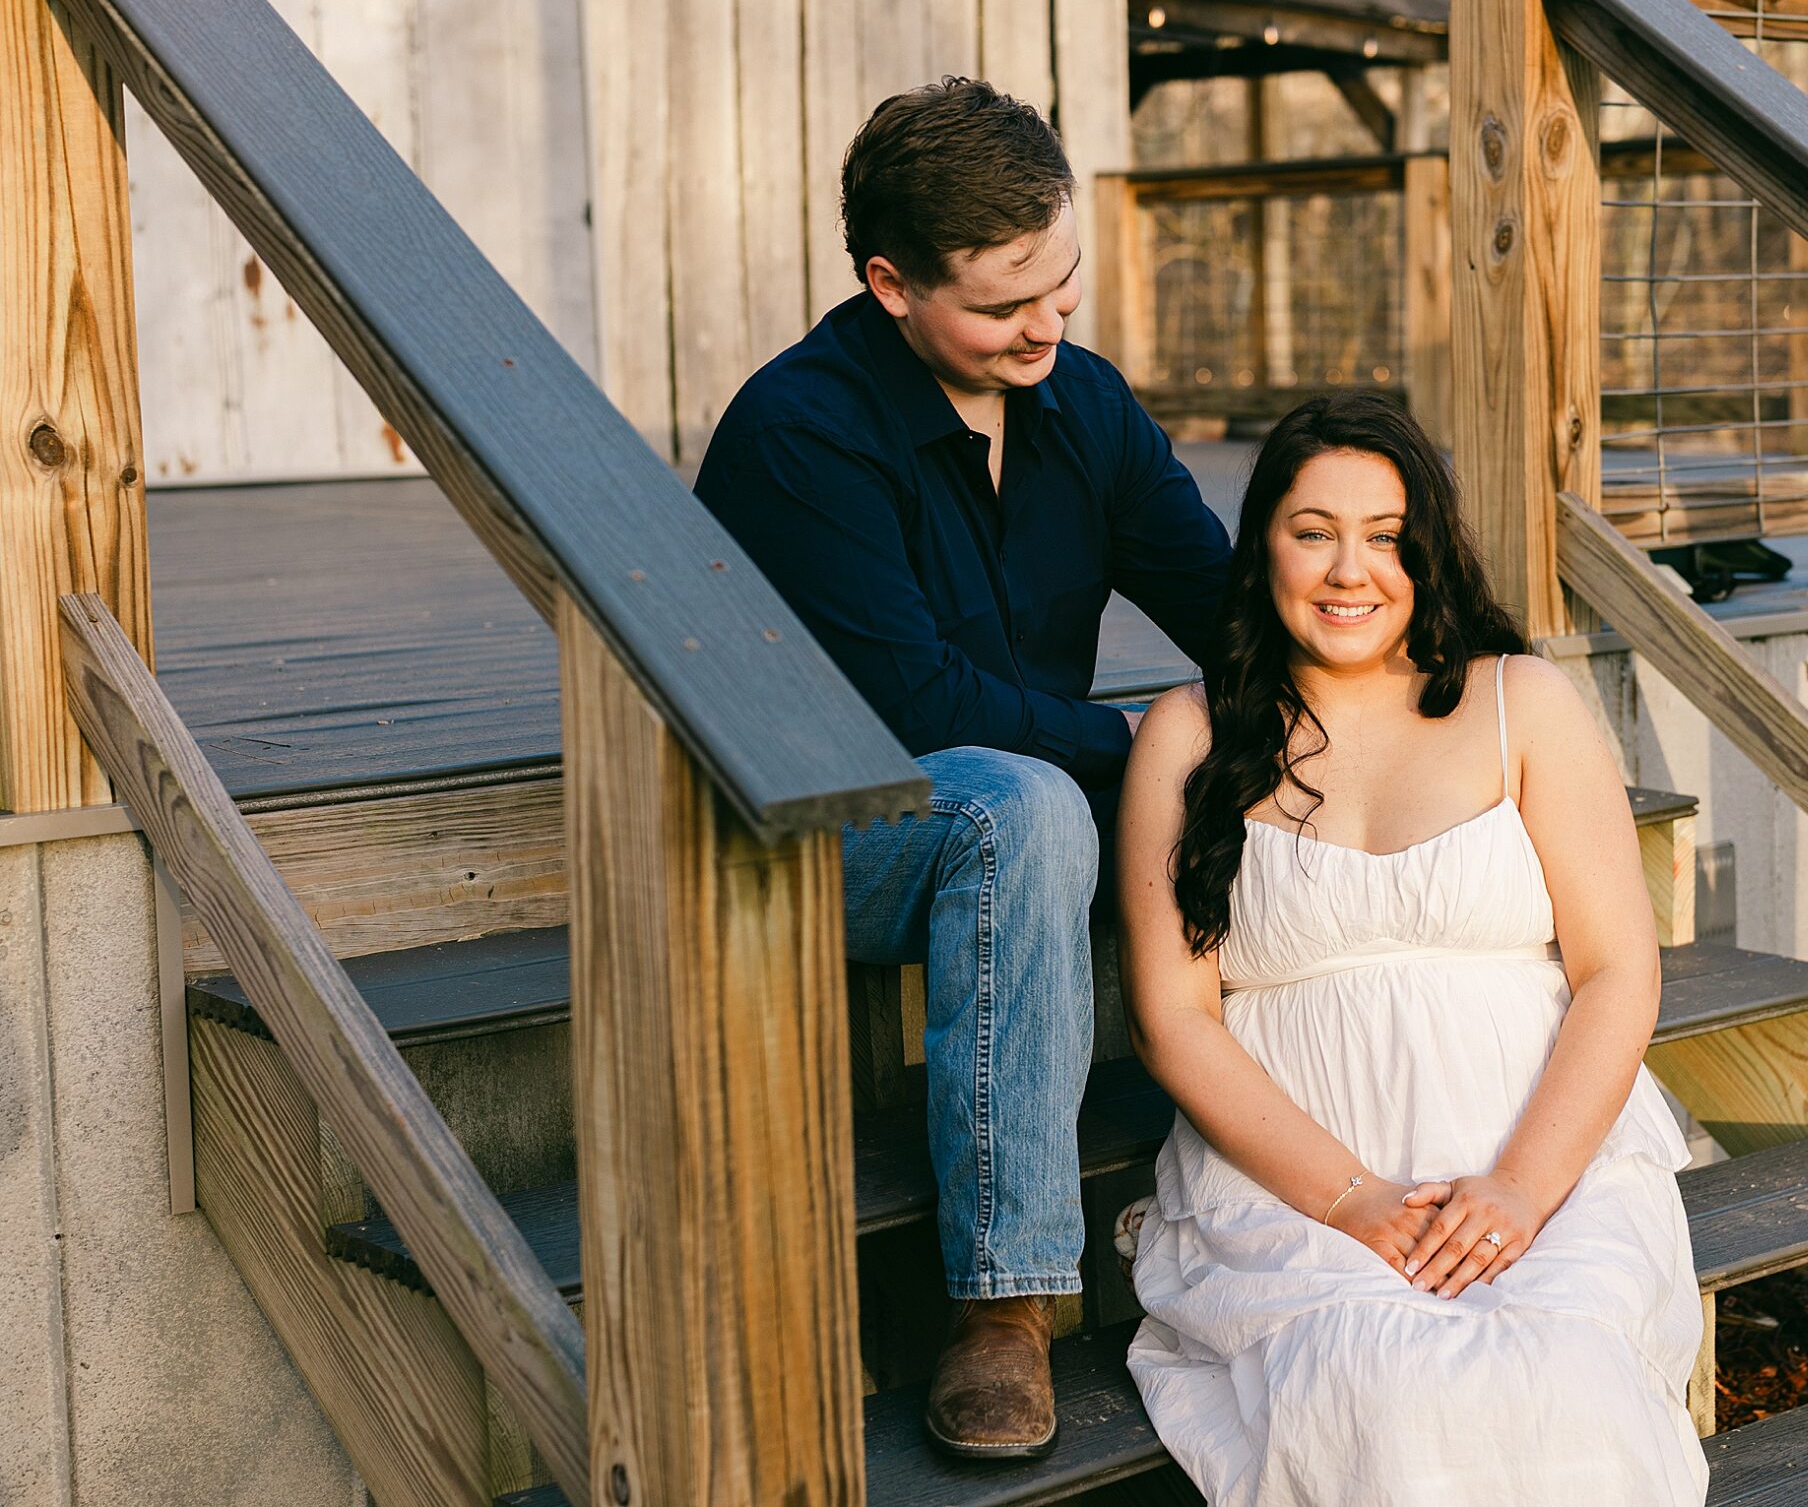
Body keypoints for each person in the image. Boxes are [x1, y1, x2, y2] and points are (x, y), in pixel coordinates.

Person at [693, 78, 1234, 1460]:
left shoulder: (1082, 401)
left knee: (1261, 753)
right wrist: (1143, 750)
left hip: (1035, 819)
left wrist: (1375, 697)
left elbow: (1224, 603)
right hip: (819, 833)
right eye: (1004, 306)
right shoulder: (800, 432)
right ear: (890, 283)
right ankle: (1009, 1298)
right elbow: (916, 701)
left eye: (1060, 281)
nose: (1047, 324)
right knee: (1027, 801)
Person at [1116, 393, 1711, 1504]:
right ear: (1263, 548)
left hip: (1539, 1154)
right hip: (1297, 1183)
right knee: (1385, 1391)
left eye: (1385, 536)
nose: (1351, 571)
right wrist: (1350, 1199)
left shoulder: (1516, 701)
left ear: (1425, 551)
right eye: (1313, 530)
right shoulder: (1188, 734)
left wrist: (1521, 1190)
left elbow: (1617, 971)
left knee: (1561, 1377)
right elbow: (1173, 1019)